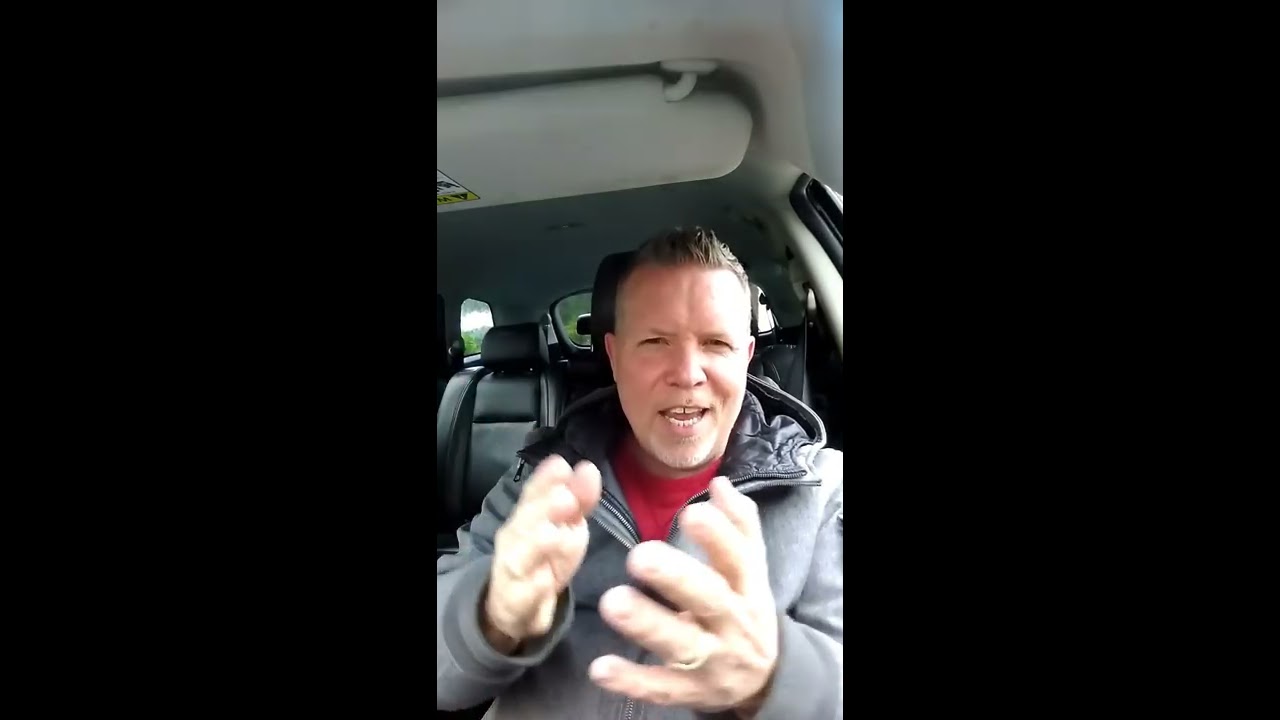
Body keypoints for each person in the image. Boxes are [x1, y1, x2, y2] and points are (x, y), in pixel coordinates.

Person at [437, 227, 843, 719]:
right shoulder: (542, 481)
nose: (687, 373)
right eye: (655, 341)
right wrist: (490, 615)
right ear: (614, 356)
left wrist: (776, 675)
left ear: (746, 356)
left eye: (716, 343)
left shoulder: (822, 491)